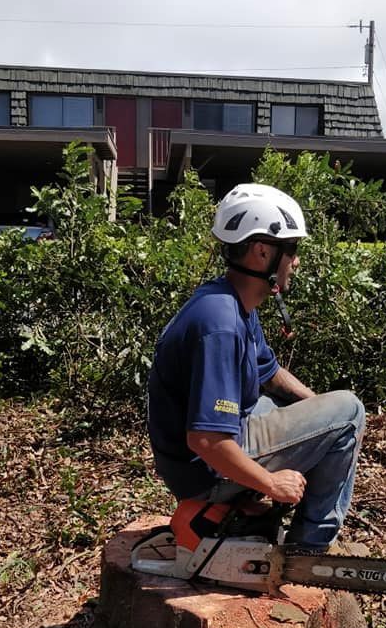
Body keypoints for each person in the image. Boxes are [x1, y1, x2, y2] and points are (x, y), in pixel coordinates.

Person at [147, 183, 365, 551]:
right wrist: (270, 483)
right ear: (263, 251)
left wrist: (317, 407)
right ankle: (308, 549)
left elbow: (271, 374)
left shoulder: (232, 302)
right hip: (202, 471)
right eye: (291, 249)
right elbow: (206, 439)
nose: (295, 260)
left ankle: (254, 510)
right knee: (351, 411)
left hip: (207, 451)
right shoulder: (220, 324)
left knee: (317, 409)